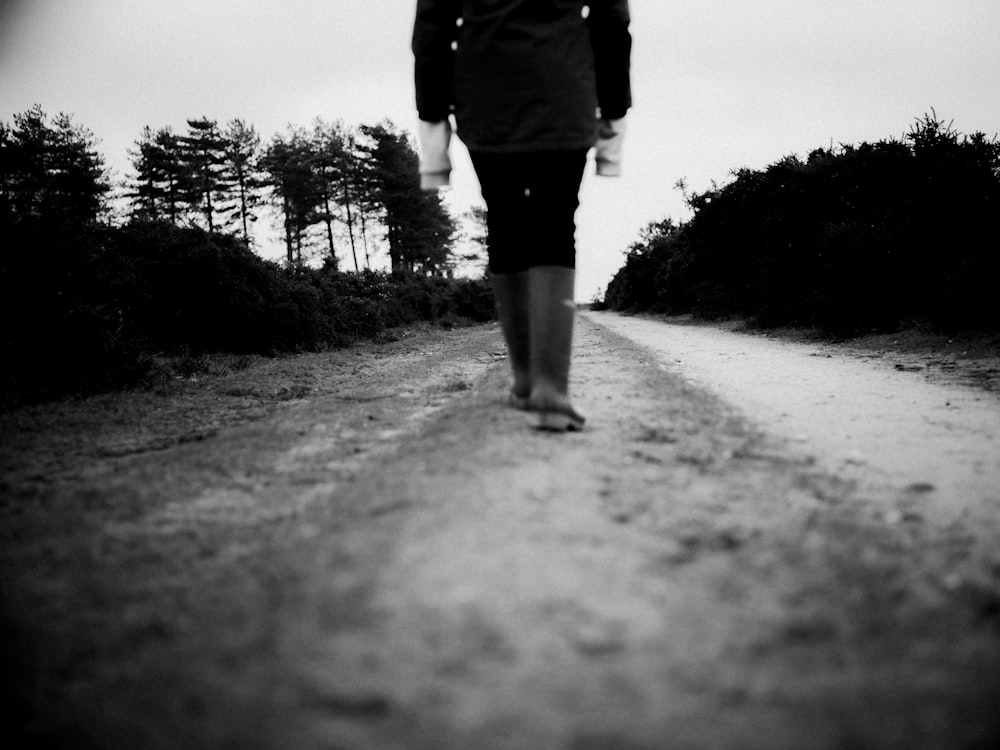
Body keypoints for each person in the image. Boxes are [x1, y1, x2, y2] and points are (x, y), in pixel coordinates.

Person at [413, 0, 631, 431]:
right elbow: (612, 20)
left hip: (485, 96)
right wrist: (614, 110)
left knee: (505, 222)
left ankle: (525, 379)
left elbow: (432, 27)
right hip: (563, 90)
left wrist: (432, 121)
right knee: (555, 224)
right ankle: (552, 391)